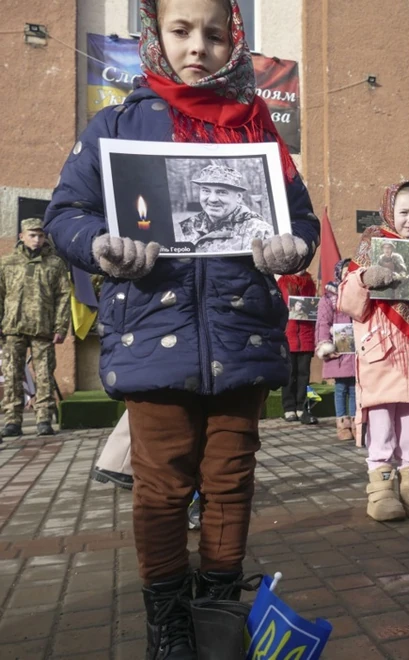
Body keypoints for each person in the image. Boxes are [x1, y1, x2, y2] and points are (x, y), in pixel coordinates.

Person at [43, 1, 320, 656]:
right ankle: (168, 623)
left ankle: (219, 613)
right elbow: (66, 212)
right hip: (153, 335)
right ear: (155, 35)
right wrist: (101, 244)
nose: (198, 47)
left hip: (241, 334)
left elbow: (301, 220)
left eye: (215, 35)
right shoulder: (117, 124)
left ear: (235, 41)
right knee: (163, 487)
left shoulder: (259, 132)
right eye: (181, 30)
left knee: (230, 480)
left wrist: (293, 248)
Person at [338, 182, 409, 522]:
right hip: (382, 349)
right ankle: (382, 489)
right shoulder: (371, 244)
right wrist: (365, 279)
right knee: (383, 418)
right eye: (404, 212)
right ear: (389, 211)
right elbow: (346, 298)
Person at [0, 218, 71, 439]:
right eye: (32, 235)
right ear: (21, 236)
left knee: (44, 375)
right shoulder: (7, 263)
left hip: (44, 328)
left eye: (40, 235)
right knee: (12, 375)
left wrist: (61, 326)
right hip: (13, 328)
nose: (37, 239)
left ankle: (43, 419)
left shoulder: (55, 264)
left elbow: (63, 297)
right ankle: (12, 420)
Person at [177, 164, 273, 253]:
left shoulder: (258, 231)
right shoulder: (191, 226)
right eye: (206, 191)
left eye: (221, 192)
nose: (212, 199)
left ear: (238, 197)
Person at [316, 259, 357, 442]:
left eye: (351, 271)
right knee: (341, 388)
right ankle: (342, 423)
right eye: (345, 271)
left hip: (357, 350)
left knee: (356, 387)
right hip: (338, 351)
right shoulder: (329, 298)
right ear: (339, 273)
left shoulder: (360, 294)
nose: (347, 274)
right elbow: (322, 323)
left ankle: (357, 422)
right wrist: (326, 346)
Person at [277, 268, 318, 424]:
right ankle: (288, 408)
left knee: (304, 375)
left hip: (306, 336)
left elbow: (313, 305)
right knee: (289, 374)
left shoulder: (310, 283)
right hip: (289, 334)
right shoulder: (283, 282)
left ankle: (302, 407)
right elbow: (278, 305)